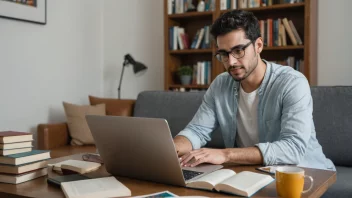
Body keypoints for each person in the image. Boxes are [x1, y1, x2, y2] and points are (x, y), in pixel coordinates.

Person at [173, 10, 335, 171]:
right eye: (223, 54)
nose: (231, 62)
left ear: (258, 45)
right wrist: (171, 149)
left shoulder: (292, 83)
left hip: (306, 174)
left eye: (238, 51)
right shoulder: (220, 84)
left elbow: (293, 148)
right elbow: (197, 130)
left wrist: (226, 155)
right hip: (254, 172)